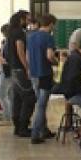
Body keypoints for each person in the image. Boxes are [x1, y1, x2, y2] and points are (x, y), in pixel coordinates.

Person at [27, 13, 58, 144]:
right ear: (50, 24)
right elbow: (49, 56)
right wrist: (57, 62)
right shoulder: (48, 37)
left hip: (34, 74)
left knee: (40, 103)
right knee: (42, 105)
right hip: (44, 74)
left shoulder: (31, 36)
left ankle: (44, 130)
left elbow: (28, 56)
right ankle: (35, 134)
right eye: (54, 25)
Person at [6, 10, 36, 137]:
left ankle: (17, 127)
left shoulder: (10, 33)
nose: (29, 22)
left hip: (13, 69)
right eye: (27, 19)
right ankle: (23, 127)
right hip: (20, 70)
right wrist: (27, 67)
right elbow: (20, 50)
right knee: (29, 98)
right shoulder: (19, 33)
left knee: (17, 98)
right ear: (21, 19)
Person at [0, 23, 13, 124]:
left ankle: (8, 118)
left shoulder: (9, 44)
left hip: (7, 72)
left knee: (1, 95)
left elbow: (9, 60)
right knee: (10, 96)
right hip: (7, 71)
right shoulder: (6, 42)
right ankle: (11, 117)